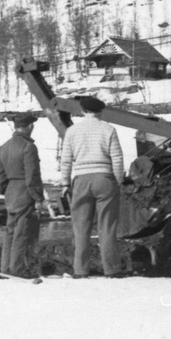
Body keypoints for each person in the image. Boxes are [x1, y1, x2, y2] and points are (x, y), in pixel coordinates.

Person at [59, 96, 127, 276]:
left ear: (82, 111)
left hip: (81, 179)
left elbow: (65, 160)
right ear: (100, 112)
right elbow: (117, 159)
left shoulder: (72, 131)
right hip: (105, 178)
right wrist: (117, 181)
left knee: (80, 227)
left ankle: (80, 270)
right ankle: (112, 269)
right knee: (107, 226)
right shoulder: (109, 129)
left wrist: (65, 183)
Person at [0, 112, 45, 277]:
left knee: (10, 231)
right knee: (22, 232)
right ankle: (17, 269)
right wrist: (38, 197)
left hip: (11, 192)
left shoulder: (4, 147)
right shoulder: (28, 147)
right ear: (30, 126)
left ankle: (5, 268)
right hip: (25, 191)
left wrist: (6, 191)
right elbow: (32, 176)